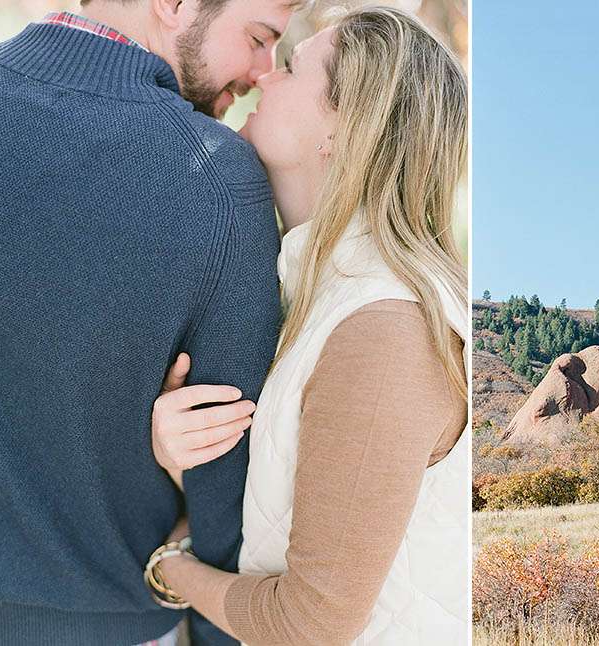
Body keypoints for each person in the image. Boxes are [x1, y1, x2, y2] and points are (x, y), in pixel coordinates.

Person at [144, 7, 470, 644]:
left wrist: (170, 568)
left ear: (343, 129)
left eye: (291, 68)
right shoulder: (317, 291)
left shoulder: (384, 327)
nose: (264, 77)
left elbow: (311, 622)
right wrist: (181, 459)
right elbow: (296, 510)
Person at [0, 0, 301, 643]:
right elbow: (225, 470)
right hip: (114, 623)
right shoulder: (219, 178)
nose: (261, 70)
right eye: (257, 36)